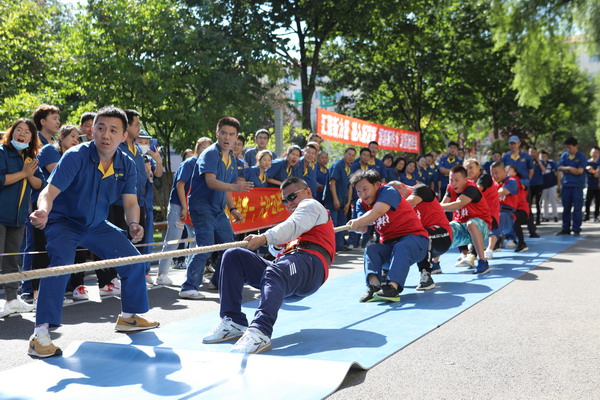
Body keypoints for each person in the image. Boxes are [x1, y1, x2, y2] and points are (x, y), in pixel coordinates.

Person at [28, 106, 160, 358]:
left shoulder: (127, 163)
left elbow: (131, 202)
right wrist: (43, 211)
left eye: (113, 130)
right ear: (92, 131)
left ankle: (129, 317)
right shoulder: (76, 155)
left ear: (124, 136)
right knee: (61, 266)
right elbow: (49, 191)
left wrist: (133, 224)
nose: (105, 135)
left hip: (96, 224)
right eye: (100, 128)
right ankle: (40, 335)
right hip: (63, 222)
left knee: (133, 261)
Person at [201, 177, 335, 354]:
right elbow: (278, 246)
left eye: (292, 197)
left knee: (275, 269)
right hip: (290, 267)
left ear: (308, 192)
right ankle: (233, 320)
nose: (288, 203)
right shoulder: (298, 222)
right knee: (233, 256)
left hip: (311, 266)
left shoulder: (311, 205)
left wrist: (265, 238)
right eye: (284, 200)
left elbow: (292, 225)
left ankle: (260, 331)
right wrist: (274, 243)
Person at [180, 117, 253, 300]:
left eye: (232, 134)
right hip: (201, 208)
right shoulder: (210, 154)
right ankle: (188, 287)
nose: (227, 138)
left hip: (219, 211)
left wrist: (234, 208)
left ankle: (217, 281)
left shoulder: (233, 159)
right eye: (223, 133)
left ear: (237, 137)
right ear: (217, 133)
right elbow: (211, 182)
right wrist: (236, 188)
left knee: (230, 246)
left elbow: (227, 187)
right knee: (205, 247)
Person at [348, 169, 429, 302]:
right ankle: (374, 287)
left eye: (365, 189)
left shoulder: (387, 191)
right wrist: (355, 226)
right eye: (358, 191)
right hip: (390, 246)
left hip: (416, 241)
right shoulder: (360, 203)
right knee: (371, 250)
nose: (362, 194)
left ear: (376, 185)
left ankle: (392, 288)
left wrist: (359, 221)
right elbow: (362, 228)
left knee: (401, 247)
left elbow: (377, 211)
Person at [34, 125, 89, 302]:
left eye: (77, 137)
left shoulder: (77, 156)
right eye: (72, 136)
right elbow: (65, 178)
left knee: (67, 252)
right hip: (46, 209)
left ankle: (69, 288)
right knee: (43, 251)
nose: (75, 140)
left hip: (68, 211)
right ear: (61, 136)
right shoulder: (50, 150)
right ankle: (37, 293)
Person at [0, 118, 43, 318]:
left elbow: (39, 184)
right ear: (12, 131)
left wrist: (28, 173)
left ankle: (12, 300)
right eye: (19, 130)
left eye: (27, 132)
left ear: (32, 137)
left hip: (17, 219)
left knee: (12, 260)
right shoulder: (2, 152)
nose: (22, 134)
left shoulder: (30, 157)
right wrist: (23, 173)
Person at [156, 138, 212, 285]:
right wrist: (184, 207)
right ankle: (162, 274)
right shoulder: (189, 163)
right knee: (173, 241)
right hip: (179, 205)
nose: (204, 151)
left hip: (195, 208)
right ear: (196, 149)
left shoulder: (206, 165)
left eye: (208, 148)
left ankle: (191, 274)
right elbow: (180, 186)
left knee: (195, 241)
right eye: (202, 148)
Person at [389, 181, 452, 290]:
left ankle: (426, 275)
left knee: (421, 234)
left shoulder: (421, 188)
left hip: (443, 234)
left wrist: (382, 209)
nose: (395, 199)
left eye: (396, 195)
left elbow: (410, 202)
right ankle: (389, 276)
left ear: (403, 186)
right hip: (425, 238)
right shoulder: (402, 205)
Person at [441, 165, 492, 274]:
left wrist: (436, 207)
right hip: (462, 225)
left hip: (482, 226)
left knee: (471, 224)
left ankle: (483, 262)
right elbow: (443, 205)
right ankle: (434, 264)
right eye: (451, 180)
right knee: (444, 229)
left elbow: (458, 204)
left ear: (465, 180)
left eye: (456, 180)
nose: (453, 183)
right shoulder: (450, 188)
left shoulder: (471, 188)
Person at [463, 158, 500, 261]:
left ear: (478, 167)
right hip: (477, 214)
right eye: (466, 169)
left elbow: (476, 191)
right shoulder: (469, 182)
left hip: (490, 215)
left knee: (475, 226)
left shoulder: (485, 177)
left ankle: (472, 255)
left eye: (471, 167)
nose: (469, 171)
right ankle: (466, 254)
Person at [323, 147, 355, 252]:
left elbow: (350, 186)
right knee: (333, 224)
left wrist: (348, 203)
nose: (350, 157)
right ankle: (330, 248)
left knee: (342, 224)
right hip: (333, 202)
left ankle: (339, 246)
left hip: (344, 202)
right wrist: (336, 200)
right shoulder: (337, 165)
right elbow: (332, 182)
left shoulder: (350, 169)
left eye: (353, 155)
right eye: (349, 154)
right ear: (344, 154)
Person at [556, 136, 587, 236]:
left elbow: (579, 171)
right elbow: (559, 167)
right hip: (566, 185)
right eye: (567, 148)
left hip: (577, 186)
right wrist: (570, 168)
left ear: (576, 146)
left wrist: (568, 170)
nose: (568, 150)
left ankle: (576, 229)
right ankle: (565, 228)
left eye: (570, 147)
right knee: (566, 208)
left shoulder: (581, 156)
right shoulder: (564, 156)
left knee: (577, 208)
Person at [490, 161, 519, 251]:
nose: (494, 175)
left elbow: (500, 192)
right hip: (494, 212)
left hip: (508, 215)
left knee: (499, 217)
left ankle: (490, 249)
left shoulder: (511, 181)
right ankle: (471, 250)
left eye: (496, 173)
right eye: (492, 173)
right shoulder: (491, 183)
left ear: (504, 171)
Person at [506, 165, 530, 252]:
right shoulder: (508, 181)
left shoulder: (513, 180)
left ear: (515, 172)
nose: (507, 170)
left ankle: (521, 243)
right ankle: (518, 242)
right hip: (516, 209)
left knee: (515, 221)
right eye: (506, 169)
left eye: (509, 169)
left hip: (521, 208)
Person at [540, 150, 559, 222]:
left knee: (553, 200)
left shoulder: (551, 163)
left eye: (544, 156)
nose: (543, 158)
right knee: (544, 202)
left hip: (552, 184)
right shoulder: (538, 163)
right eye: (541, 156)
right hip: (543, 185)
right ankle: (545, 216)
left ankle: (555, 215)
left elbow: (557, 171)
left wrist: (558, 182)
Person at [528, 148, 544, 225]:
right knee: (529, 203)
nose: (532, 154)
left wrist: (538, 160)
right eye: (531, 152)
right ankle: (529, 219)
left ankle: (538, 218)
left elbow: (544, 170)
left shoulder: (539, 161)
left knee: (538, 202)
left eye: (534, 152)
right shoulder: (527, 161)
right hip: (529, 184)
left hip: (538, 184)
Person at [584, 146, 600, 222]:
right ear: (590, 153)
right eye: (593, 152)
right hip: (590, 185)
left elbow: (596, 173)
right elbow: (585, 171)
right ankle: (587, 215)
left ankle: (596, 216)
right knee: (588, 201)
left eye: (596, 152)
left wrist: (596, 173)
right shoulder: (587, 163)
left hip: (598, 186)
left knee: (598, 202)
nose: (594, 154)